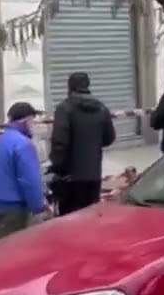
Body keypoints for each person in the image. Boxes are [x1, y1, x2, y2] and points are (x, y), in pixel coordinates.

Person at [48, 72, 117, 215]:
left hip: (70, 177)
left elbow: (60, 142)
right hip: (94, 174)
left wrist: (57, 167)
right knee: (90, 216)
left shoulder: (64, 108)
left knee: (70, 218)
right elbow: (109, 138)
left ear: (70, 87)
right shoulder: (101, 108)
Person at [0, 102, 48, 236]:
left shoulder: (0, 141)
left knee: (5, 241)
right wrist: (39, 207)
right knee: (17, 244)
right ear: (26, 121)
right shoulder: (23, 144)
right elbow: (30, 180)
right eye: (32, 121)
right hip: (16, 205)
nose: (34, 125)